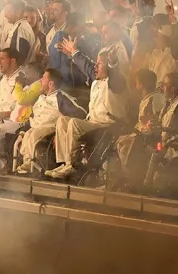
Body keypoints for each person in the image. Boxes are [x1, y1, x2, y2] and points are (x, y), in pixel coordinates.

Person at [46, 41, 128, 180]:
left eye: (100, 63)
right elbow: (87, 66)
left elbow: (115, 77)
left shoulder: (116, 83)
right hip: (93, 123)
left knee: (74, 124)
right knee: (62, 121)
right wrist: (74, 52)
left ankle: (73, 165)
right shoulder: (96, 81)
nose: (96, 66)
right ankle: (65, 163)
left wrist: (113, 62)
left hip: (107, 125)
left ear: (109, 66)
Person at [14, 68, 86, 174]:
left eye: (43, 78)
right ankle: (28, 162)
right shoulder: (41, 98)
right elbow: (33, 117)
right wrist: (22, 131)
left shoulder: (60, 98)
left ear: (51, 83)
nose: (40, 81)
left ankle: (33, 164)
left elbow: (81, 113)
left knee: (34, 134)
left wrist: (60, 132)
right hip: (36, 126)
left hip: (50, 127)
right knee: (28, 134)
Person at [114, 69, 167, 188]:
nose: (135, 85)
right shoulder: (148, 99)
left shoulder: (155, 100)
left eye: (137, 82)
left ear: (142, 84)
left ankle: (130, 179)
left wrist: (137, 130)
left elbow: (153, 125)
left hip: (149, 140)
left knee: (122, 145)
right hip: (142, 136)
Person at [3, 0, 36, 69]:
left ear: (18, 12)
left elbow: (18, 57)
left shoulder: (21, 29)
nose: (5, 15)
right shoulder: (20, 26)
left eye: (8, 11)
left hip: (16, 75)